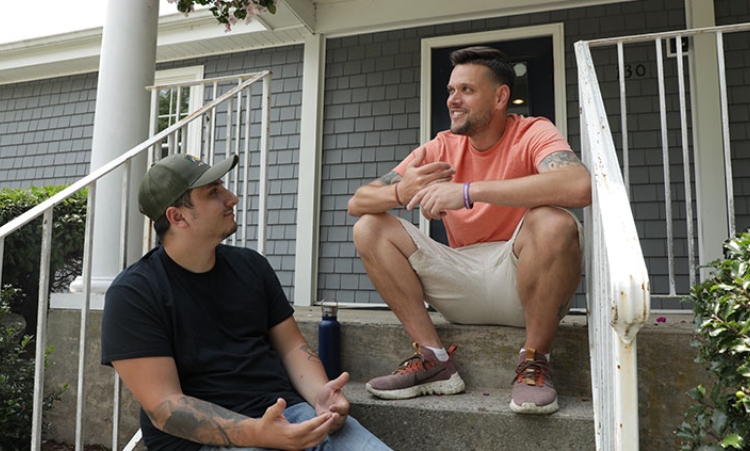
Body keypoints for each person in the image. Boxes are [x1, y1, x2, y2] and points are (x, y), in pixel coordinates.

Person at [347, 46, 591, 415]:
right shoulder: (442, 146)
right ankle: (433, 360)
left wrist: (467, 191)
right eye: (450, 91)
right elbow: (357, 202)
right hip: (459, 279)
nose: (453, 100)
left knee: (555, 221)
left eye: (465, 90)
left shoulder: (532, 131)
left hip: (522, 279)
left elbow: (578, 185)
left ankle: (534, 362)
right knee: (369, 227)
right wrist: (400, 191)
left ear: (500, 96)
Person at [101, 153, 391, 451]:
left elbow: (292, 347)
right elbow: (166, 409)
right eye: (214, 192)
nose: (232, 198)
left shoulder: (251, 266)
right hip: (205, 442)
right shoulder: (134, 294)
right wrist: (259, 433)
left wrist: (320, 394)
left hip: (288, 414)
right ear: (178, 217)